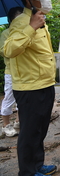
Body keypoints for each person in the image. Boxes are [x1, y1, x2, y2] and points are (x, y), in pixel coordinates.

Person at [4, 0, 57, 176]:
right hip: (29, 87)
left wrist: (35, 24)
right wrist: (31, 27)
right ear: (29, 0)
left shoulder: (39, 19)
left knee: (40, 130)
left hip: (44, 83)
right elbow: (9, 50)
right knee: (29, 132)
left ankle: (37, 165)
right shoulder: (21, 23)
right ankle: (27, 171)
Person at [0, 7, 23, 137]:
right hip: (11, 71)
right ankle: (6, 125)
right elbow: (4, 51)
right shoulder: (6, 34)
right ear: (12, 20)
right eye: (18, 18)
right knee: (9, 97)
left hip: (23, 71)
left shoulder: (24, 32)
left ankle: (18, 121)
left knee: (21, 97)